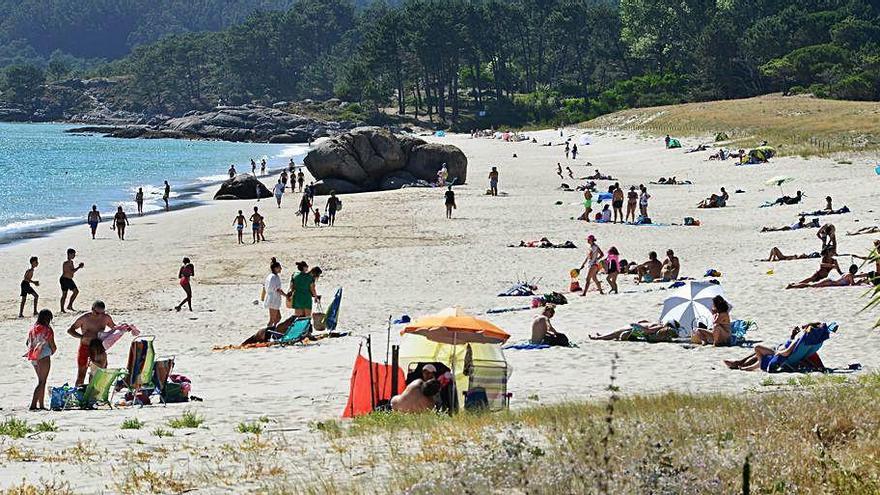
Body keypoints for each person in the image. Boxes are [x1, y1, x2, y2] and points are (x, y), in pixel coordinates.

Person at [724, 324, 818, 371]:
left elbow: (787, 352)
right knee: (755, 355)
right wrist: (792, 336)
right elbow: (793, 348)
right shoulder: (805, 341)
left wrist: (779, 352)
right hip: (777, 350)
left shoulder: (799, 339)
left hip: (778, 354)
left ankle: (741, 364)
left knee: (757, 348)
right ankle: (741, 364)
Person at [66, 300, 114, 386]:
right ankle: (78, 393)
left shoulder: (106, 318)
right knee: (81, 374)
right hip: (85, 346)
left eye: (102, 313)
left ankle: (93, 394)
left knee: (98, 373)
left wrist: (124, 328)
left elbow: (114, 329)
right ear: (92, 309)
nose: (99, 315)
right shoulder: (84, 318)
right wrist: (82, 337)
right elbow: (70, 330)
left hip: (98, 348)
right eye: (97, 313)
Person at [27, 309, 56, 410]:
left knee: (41, 381)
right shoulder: (47, 329)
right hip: (43, 355)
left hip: (33, 355)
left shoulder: (33, 329)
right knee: (42, 382)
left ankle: (41, 405)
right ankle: (33, 404)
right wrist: (52, 351)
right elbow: (52, 345)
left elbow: (28, 343)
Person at [590, 320, 678, 342]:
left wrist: (637, 325)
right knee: (616, 332)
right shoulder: (659, 324)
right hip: (637, 328)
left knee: (617, 333)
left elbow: (648, 330)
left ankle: (599, 337)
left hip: (637, 328)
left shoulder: (659, 325)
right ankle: (601, 336)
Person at [788, 264, 862, 288]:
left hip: (830, 281)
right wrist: (860, 282)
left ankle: (794, 285)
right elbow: (852, 284)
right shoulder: (850, 275)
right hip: (830, 283)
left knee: (812, 285)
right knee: (811, 286)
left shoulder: (846, 273)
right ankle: (793, 286)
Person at [263, 258, 286, 329]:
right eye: (279, 268)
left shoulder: (274, 276)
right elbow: (278, 290)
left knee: (278, 317)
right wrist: (286, 296)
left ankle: (273, 330)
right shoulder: (273, 277)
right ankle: (268, 332)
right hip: (273, 299)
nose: (281, 269)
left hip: (273, 299)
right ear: (275, 268)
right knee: (272, 319)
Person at [59, 248, 84, 313]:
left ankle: (69, 305)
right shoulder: (66, 263)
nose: (74, 256)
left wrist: (78, 267)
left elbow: (72, 271)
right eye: (73, 254)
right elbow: (71, 271)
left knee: (74, 292)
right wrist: (79, 267)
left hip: (68, 279)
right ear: (69, 254)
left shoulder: (71, 262)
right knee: (67, 294)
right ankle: (63, 308)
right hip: (65, 279)